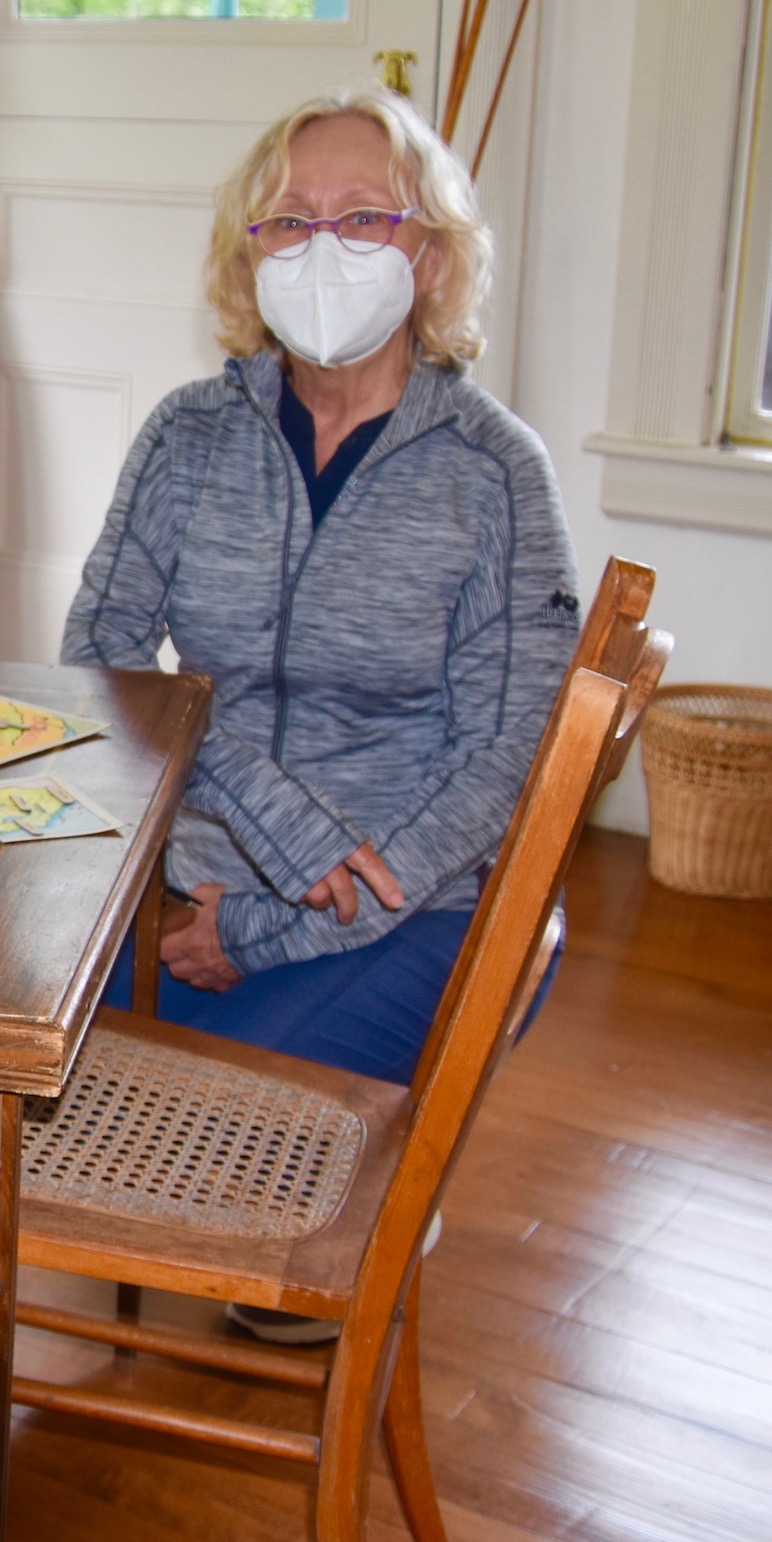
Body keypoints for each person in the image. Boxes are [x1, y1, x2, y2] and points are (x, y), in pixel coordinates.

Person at [67, 87, 580, 1098]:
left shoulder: (495, 472)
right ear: (250, 256)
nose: (321, 247)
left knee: (201, 1120)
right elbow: (100, 656)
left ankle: (348, 1225)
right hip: (182, 892)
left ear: (428, 256)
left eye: (360, 218)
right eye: (290, 222)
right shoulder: (186, 435)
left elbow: (508, 756)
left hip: (406, 908)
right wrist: (267, 812)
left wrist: (264, 930)